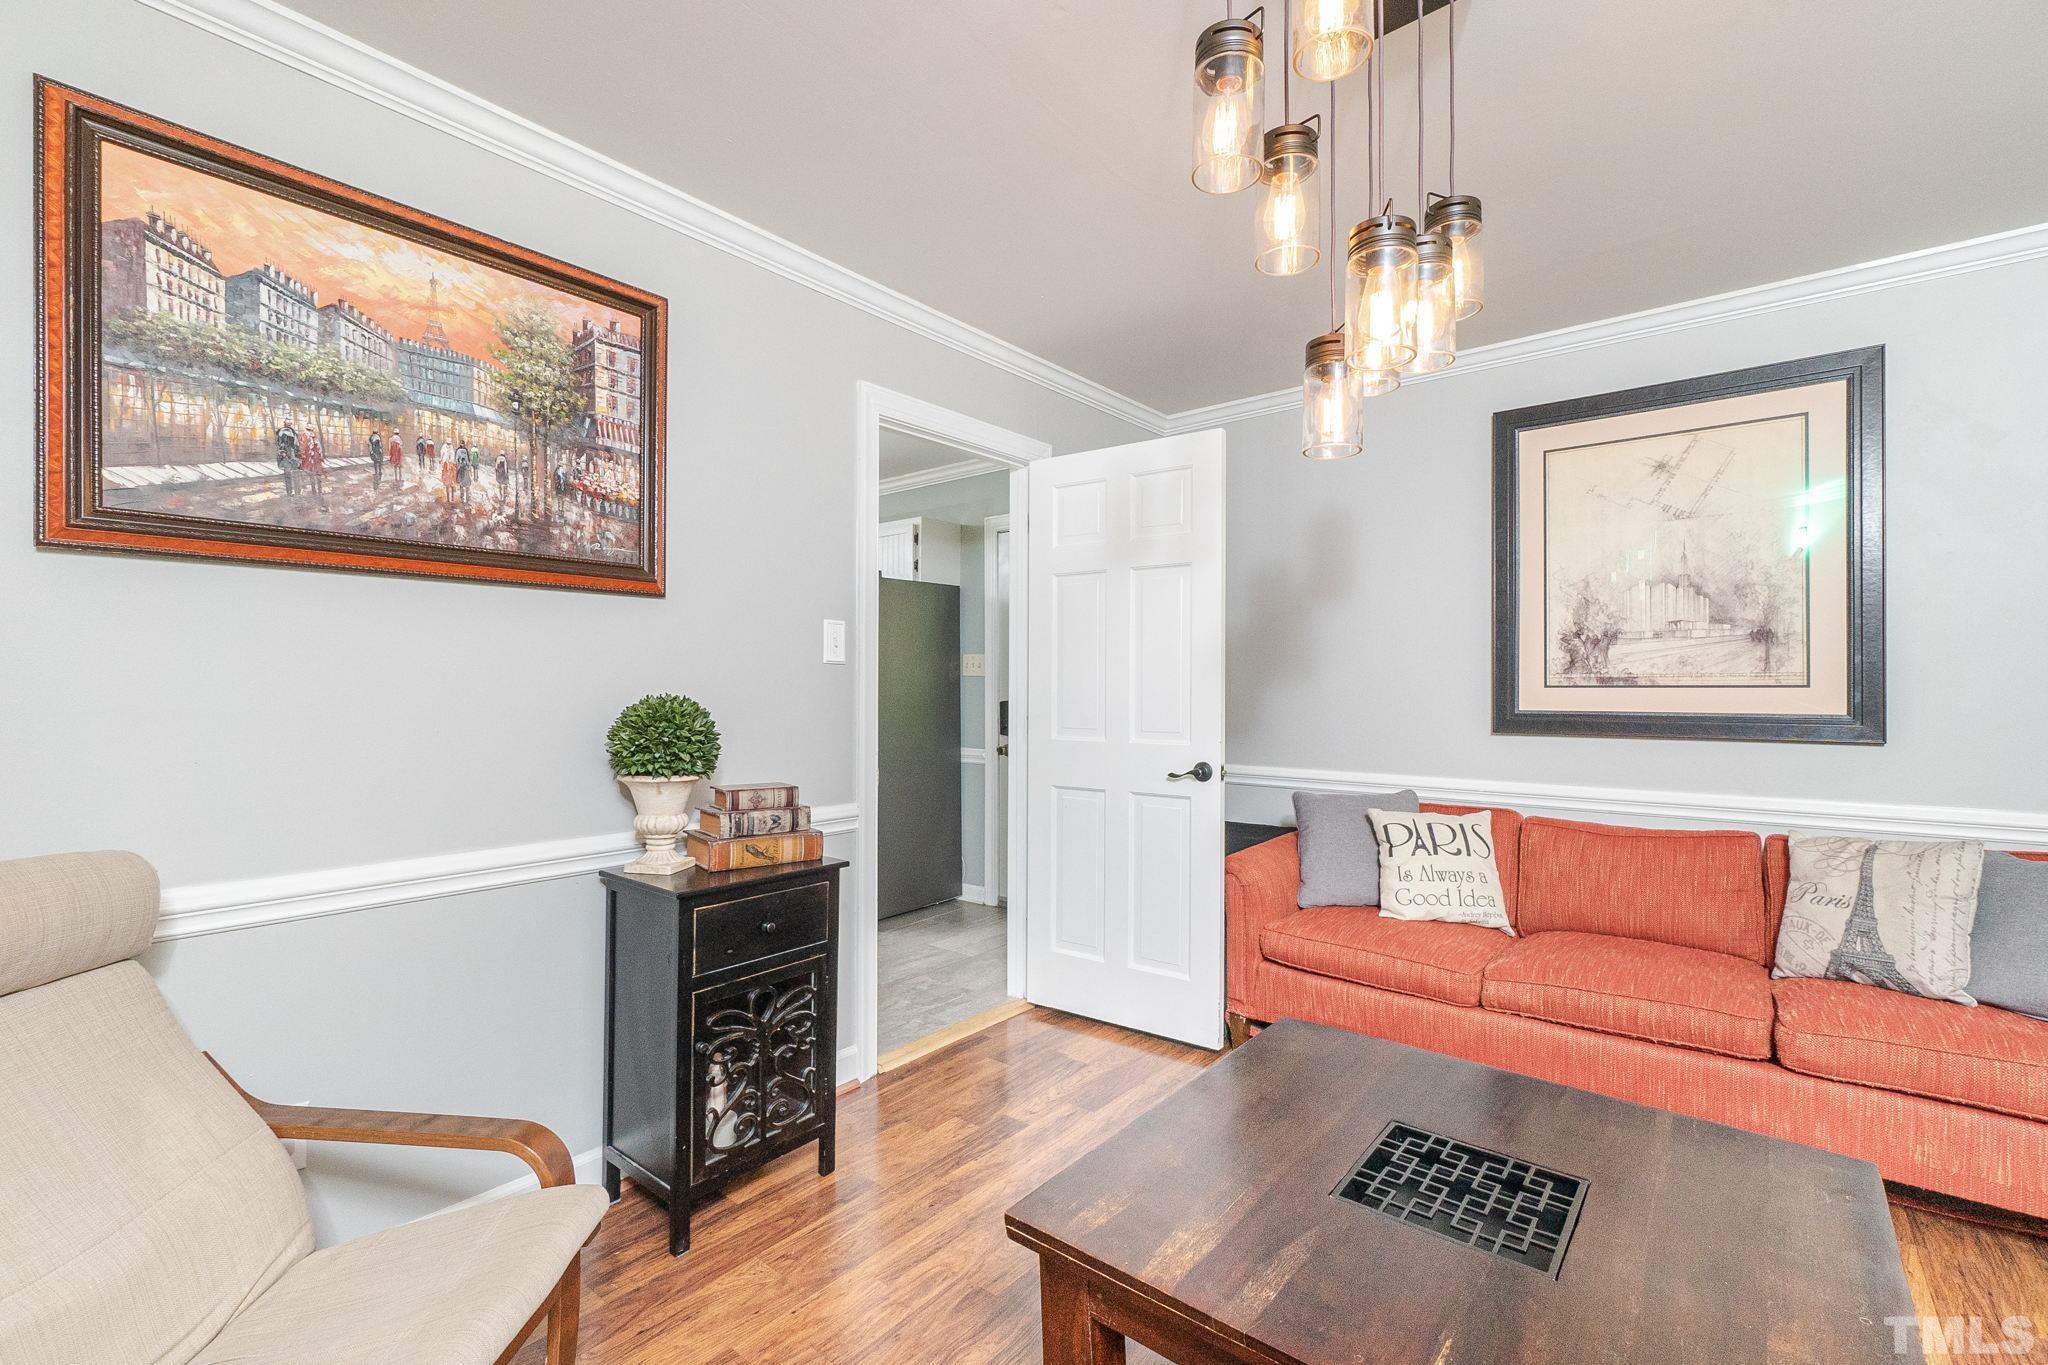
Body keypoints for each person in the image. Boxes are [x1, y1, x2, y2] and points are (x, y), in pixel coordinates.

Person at [302, 427, 328, 507]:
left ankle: (316, 490)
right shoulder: (314, 438)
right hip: (314, 460)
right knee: (316, 475)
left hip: (313, 459)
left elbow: (306, 449)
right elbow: (319, 450)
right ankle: (317, 490)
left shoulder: (307, 437)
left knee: (314, 475)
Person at [274, 419, 300, 497]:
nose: (289, 423)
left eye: (290, 422)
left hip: (293, 454)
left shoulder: (293, 432)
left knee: (295, 472)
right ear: (284, 423)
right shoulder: (282, 432)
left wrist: (297, 453)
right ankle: (289, 492)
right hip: (286, 454)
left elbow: (296, 444)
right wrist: (283, 452)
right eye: (287, 422)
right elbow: (280, 443)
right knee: (288, 473)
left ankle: (297, 490)